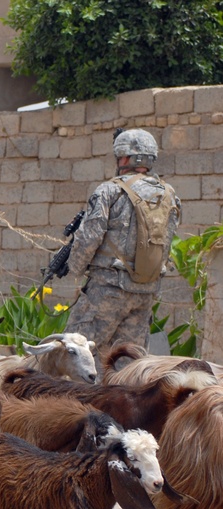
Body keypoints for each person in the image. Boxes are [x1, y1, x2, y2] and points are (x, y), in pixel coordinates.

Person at [65, 128, 181, 351]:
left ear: (126, 158)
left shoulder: (109, 191)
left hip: (107, 290)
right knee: (127, 362)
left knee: (78, 354)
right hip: (145, 292)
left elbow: (89, 237)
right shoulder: (169, 194)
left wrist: (75, 268)